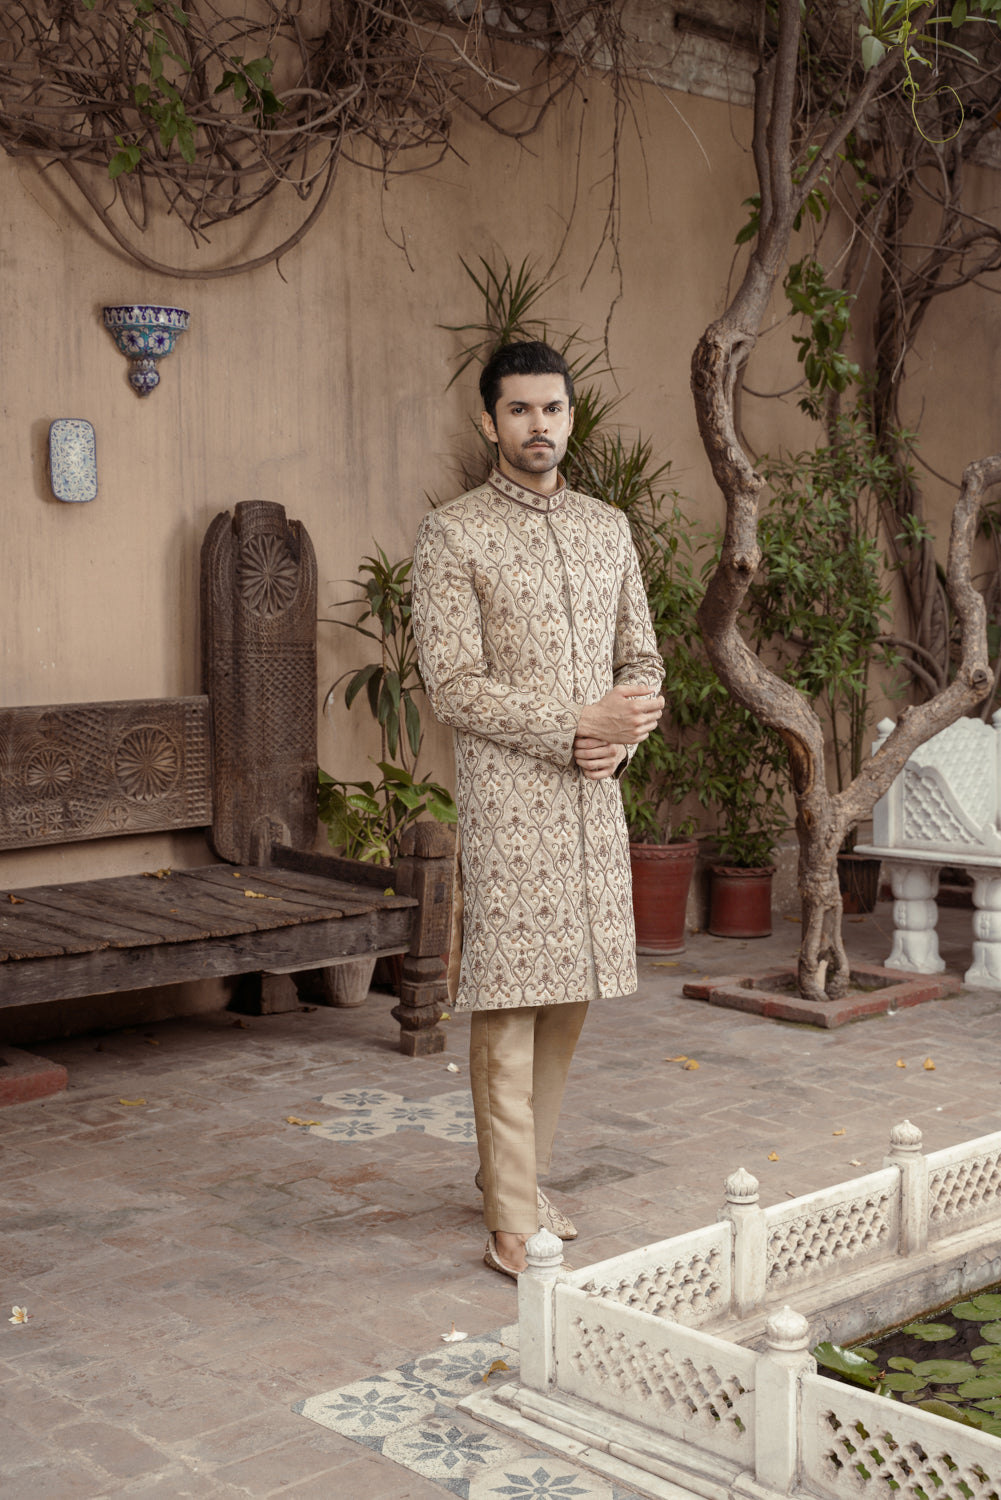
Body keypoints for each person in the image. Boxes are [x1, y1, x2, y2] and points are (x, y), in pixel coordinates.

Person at [411, 340, 665, 1278]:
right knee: (512, 997)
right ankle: (511, 1217)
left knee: (568, 994)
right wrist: (573, 723)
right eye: (518, 410)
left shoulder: (609, 529)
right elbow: (455, 685)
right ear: (489, 422)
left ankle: (514, 1178)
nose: (538, 426)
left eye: (552, 409)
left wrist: (620, 733)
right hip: (512, 795)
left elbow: (642, 662)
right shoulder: (454, 535)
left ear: (571, 415)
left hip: (594, 792)